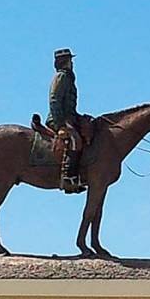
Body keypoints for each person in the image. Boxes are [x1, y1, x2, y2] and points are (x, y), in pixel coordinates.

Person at [46, 48, 86, 194]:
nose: (72, 63)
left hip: (69, 119)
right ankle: (68, 178)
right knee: (75, 140)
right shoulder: (61, 77)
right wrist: (60, 125)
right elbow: (54, 100)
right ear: (65, 62)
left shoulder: (68, 78)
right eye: (70, 60)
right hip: (59, 120)